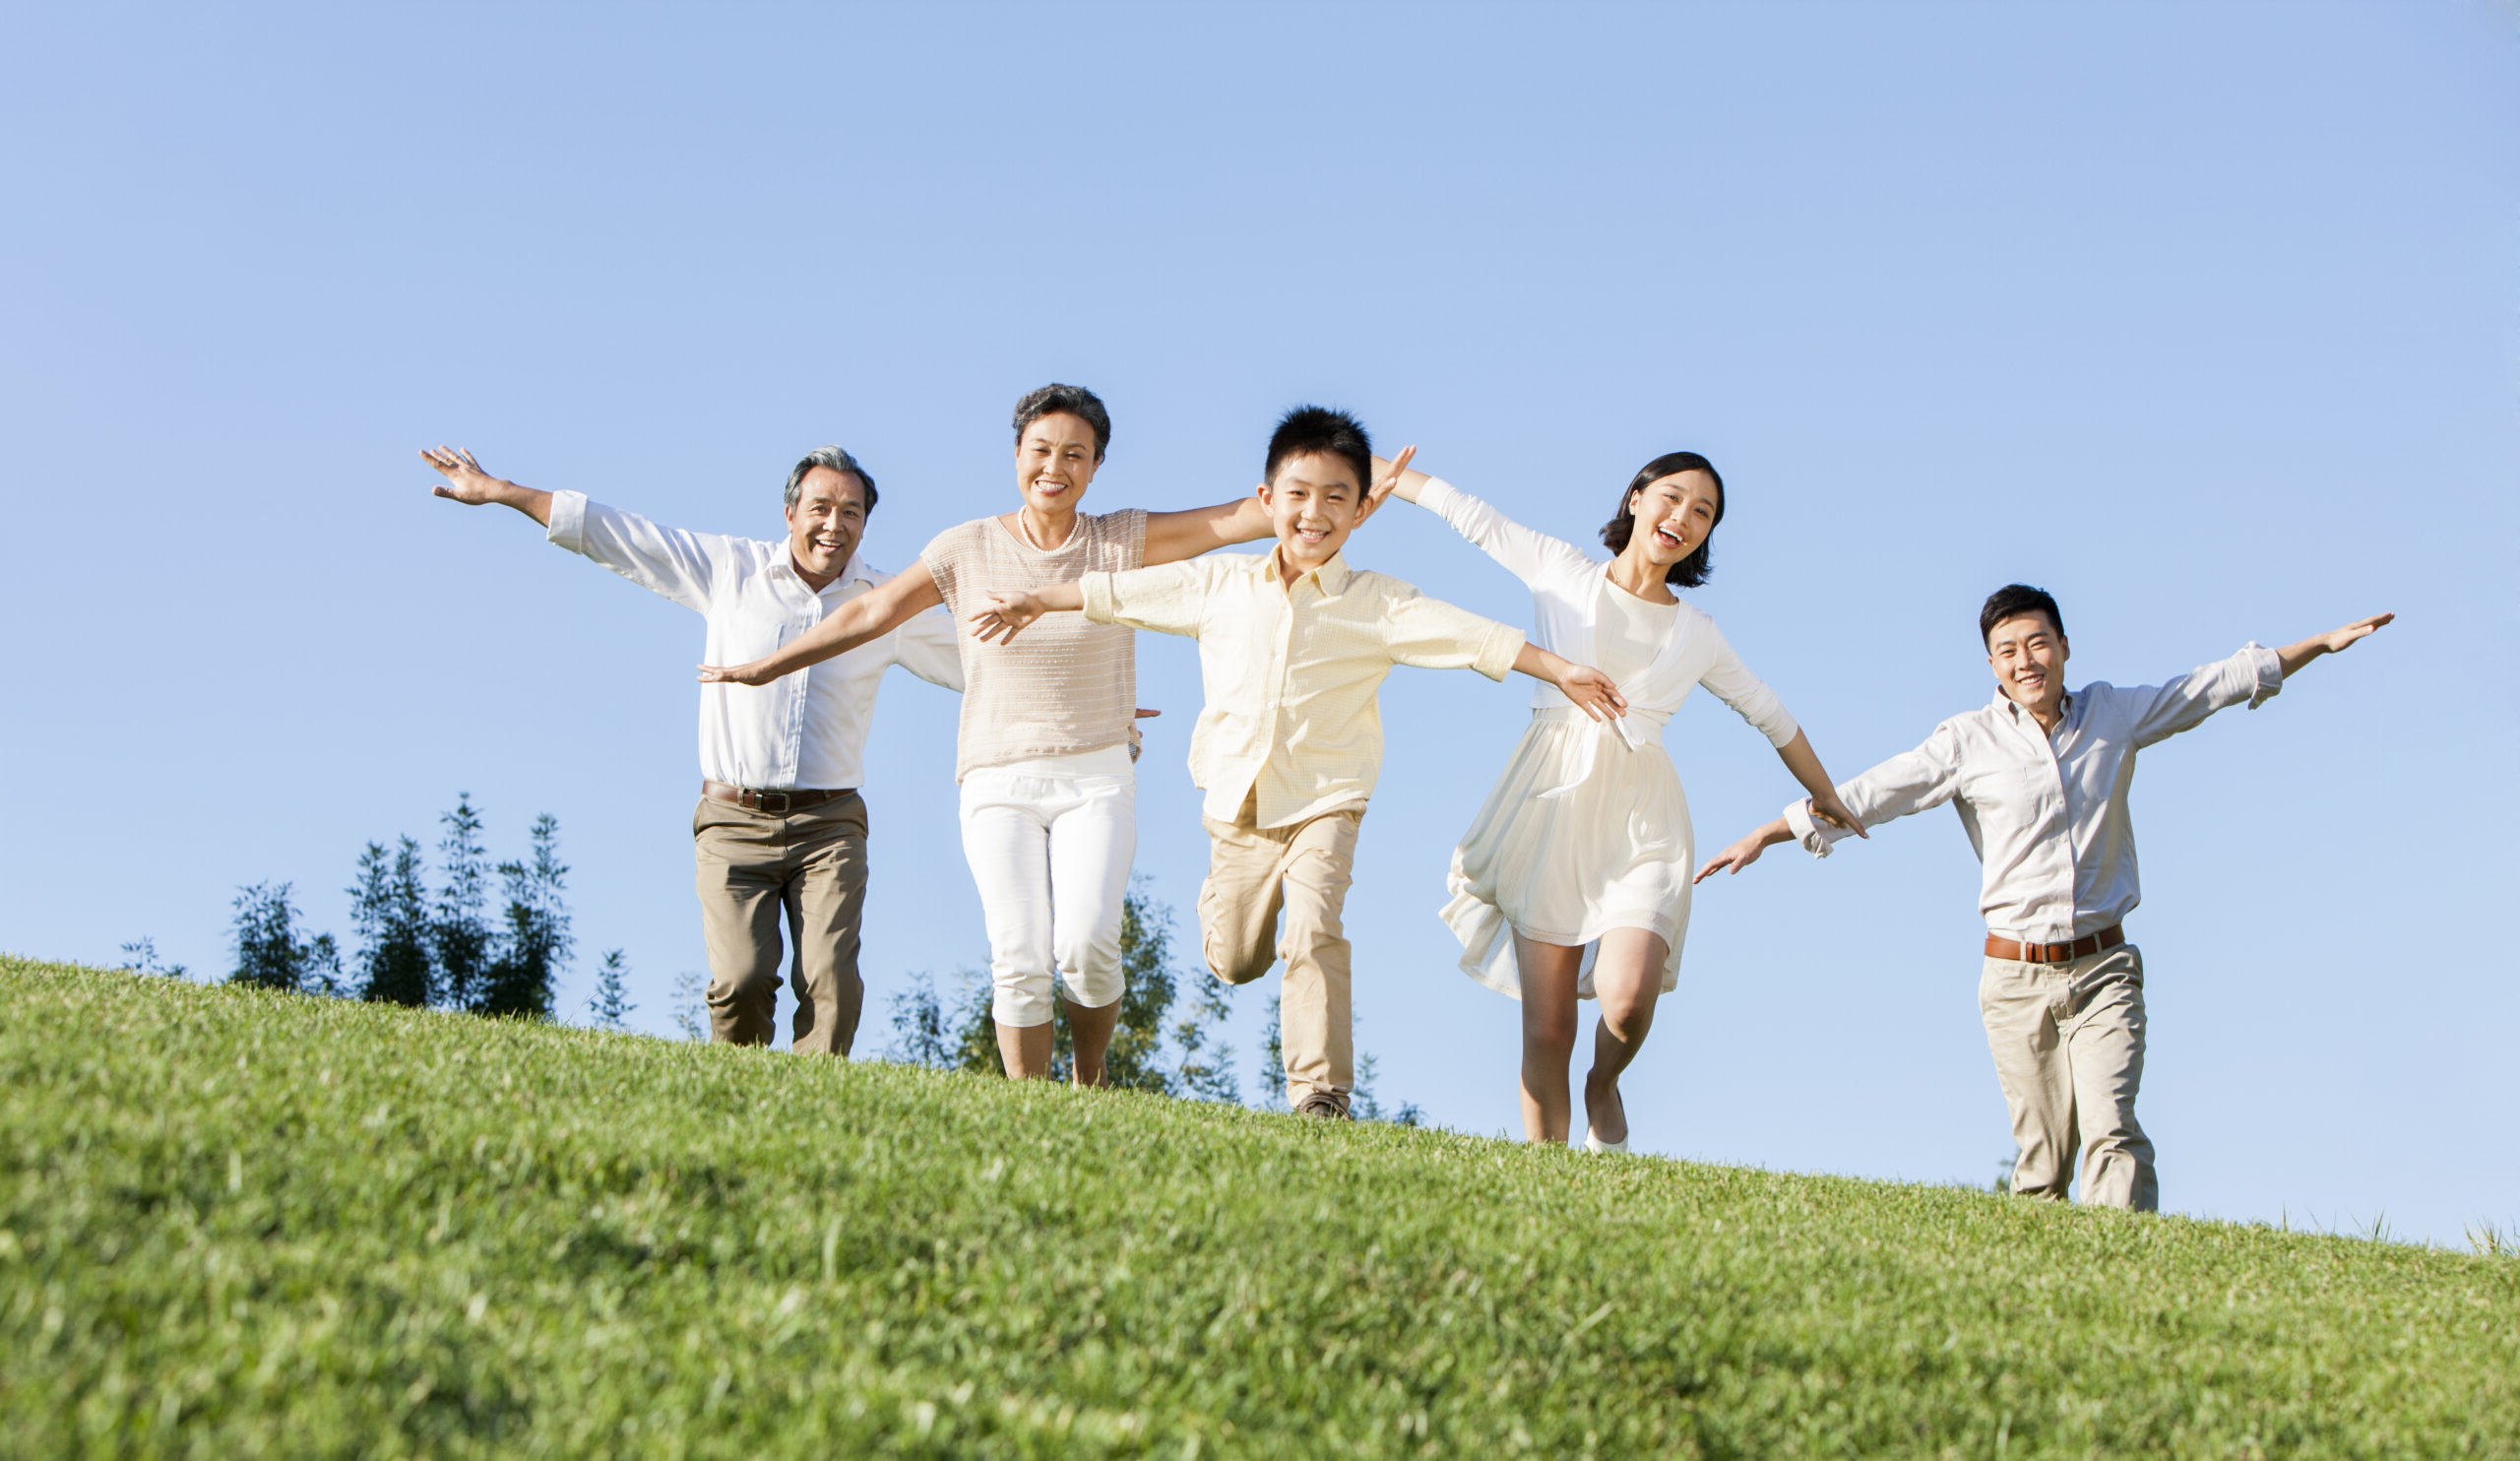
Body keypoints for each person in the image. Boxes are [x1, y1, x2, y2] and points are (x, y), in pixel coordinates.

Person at [970, 407, 1627, 1120]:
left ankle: (1320, 1092)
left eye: (1336, 498)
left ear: (1362, 511)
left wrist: (1560, 669)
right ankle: (1223, 913)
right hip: (1238, 804)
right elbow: (1118, 591)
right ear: (1267, 500)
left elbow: (1473, 637)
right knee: (1235, 959)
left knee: (1314, 926)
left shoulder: (1378, 602)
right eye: (1299, 495)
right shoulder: (1219, 584)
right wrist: (1041, 600)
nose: (1315, 513)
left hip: (1327, 800)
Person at [1696, 584, 2393, 1209]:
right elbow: (1872, 793)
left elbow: (2209, 687)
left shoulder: (2113, 714)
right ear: (1992, 665)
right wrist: (1770, 832)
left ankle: (2127, 1277)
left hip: (2103, 968)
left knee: (2113, 1131)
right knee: (2042, 1163)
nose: (2025, 661)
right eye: (2008, 651)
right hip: (2014, 980)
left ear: (2063, 647)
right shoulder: (1966, 742)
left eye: (2037, 644)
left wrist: (2318, 645)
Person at [699, 384, 1277, 1087]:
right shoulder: (966, 548)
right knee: (1019, 955)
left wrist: (1353, 480)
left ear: (1096, 466)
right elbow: (870, 612)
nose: (1055, 467)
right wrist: (770, 665)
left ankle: (1089, 1080)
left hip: (1096, 774)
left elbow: (1241, 518)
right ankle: (1030, 1105)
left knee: (1088, 944)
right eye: (1041, 450)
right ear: (1017, 454)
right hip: (996, 780)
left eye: (1075, 455)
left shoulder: (1119, 539)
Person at [1371, 450, 1864, 1152]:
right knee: (1548, 1028)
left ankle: (1603, 1082)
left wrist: (1825, 795)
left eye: (1703, 512)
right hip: (1552, 805)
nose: (1683, 517)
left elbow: (1770, 715)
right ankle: (1550, 1176)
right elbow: (1470, 516)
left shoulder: (1699, 635)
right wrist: (1368, 467)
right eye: (1672, 497)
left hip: (1643, 817)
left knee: (1628, 1000)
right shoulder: (1561, 571)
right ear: (1636, 499)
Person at [420, 443, 962, 1055]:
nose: (833, 525)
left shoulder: (886, 604)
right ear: (790, 513)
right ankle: (738, 1095)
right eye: (820, 508)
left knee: (832, 982)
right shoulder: (732, 570)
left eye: (851, 513)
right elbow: (623, 536)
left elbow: (980, 656)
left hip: (830, 826)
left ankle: (822, 1101)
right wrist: (504, 493)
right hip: (733, 821)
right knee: (740, 982)